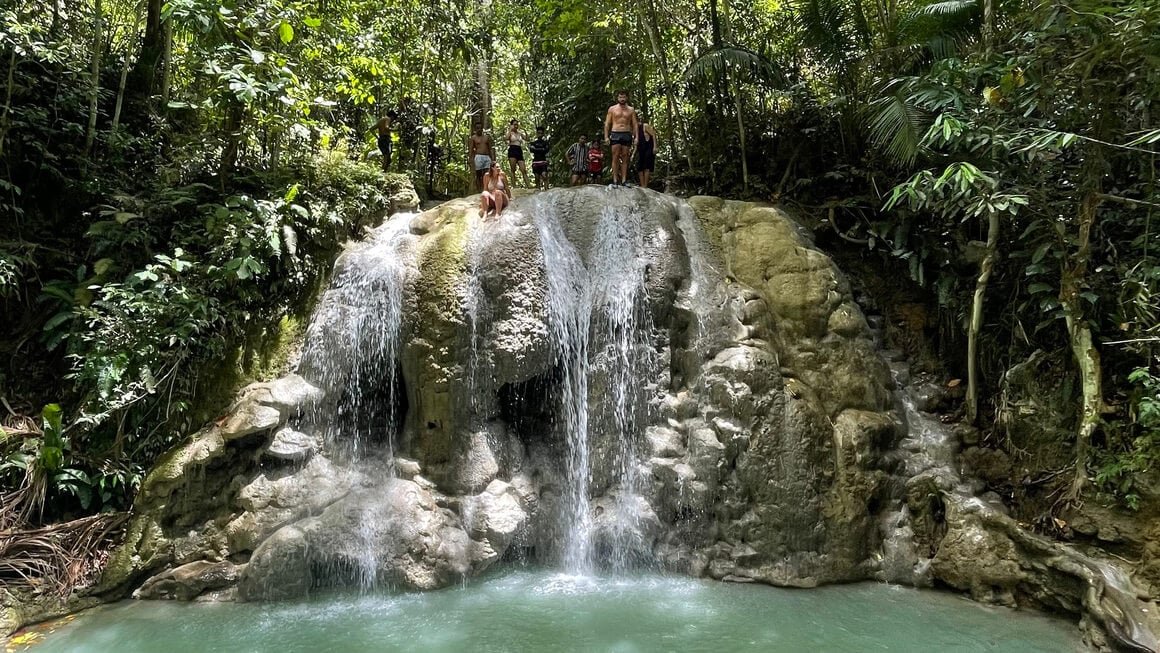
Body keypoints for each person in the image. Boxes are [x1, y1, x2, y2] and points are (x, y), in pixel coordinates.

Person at [603, 90, 639, 186]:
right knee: (615, 157)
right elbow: (607, 123)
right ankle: (615, 180)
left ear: (627, 98)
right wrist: (606, 136)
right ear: (617, 98)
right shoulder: (612, 109)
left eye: (623, 97)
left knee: (625, 157)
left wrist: (636, 137)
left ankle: (623, 180)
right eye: (620, 97)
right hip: (615, 133)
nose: (622, 99)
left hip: (626, 133)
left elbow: (635, 124)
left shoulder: (631, 110)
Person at [467, 125, 494, 193]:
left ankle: (486, 189)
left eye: (480, 128)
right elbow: (471, 149)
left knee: (487, 174)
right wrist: (470, 159)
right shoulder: (473, 138)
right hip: (478, 157)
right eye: (477, 128)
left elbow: (490, 148)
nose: (479, 129)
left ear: (482, 129)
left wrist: (492, 158)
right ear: (475, 129)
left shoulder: (486, 137)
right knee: (479, 174)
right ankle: (479, 190)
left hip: (487, 157)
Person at [505, 119, 530, 187]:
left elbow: (527, 139)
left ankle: (529, 185)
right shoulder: (510, 133)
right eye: (514, 124)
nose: (516, 126)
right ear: (512, 125)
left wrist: (525, 130)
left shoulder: (520, 133)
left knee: (523, 169)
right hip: (512, 150)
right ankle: (514, 186)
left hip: (519, 150)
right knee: (513, 169)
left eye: (517, 124)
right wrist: (510, 129)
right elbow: (506, 138)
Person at [636, 119, 658, 189]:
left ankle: (645, 185)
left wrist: (655, 147)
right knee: (639, 167)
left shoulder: (645, 126)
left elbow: (653, 134)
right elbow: (636, 142)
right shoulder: (634, 129)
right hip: (641, 149)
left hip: (648, 147)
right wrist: (633, 153)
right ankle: (642, 185)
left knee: (647, 167)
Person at [529, 126, 551, 190]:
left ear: (543, 134)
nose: (540, 134)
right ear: (537, 133)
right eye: (539, 133)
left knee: (544, 176)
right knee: (537, 178)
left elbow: (546, 150)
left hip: (543, 161)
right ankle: (538, 191)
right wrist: (541, 149)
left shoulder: (545, 143)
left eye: (541, 133)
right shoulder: (533, 142)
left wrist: (536, 149)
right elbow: (531, 150)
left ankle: (547, 189)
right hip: (536, 162)